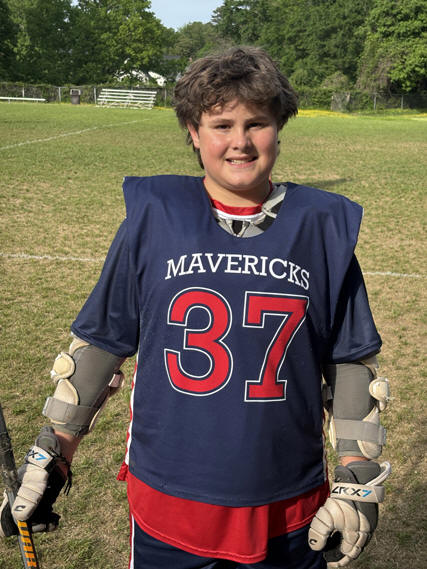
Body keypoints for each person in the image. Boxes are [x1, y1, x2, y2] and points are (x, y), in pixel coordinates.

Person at [0, 46, 390, 569]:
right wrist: (53, 452)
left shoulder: (322, 227)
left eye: (257, 123)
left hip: (286, 498)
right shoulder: (153, 218)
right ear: (193, 131)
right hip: (170, 495)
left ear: (279, 128)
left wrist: (357, 475)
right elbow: (103, 342)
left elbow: (349, 359)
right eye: (221, 125)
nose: (239, 142)